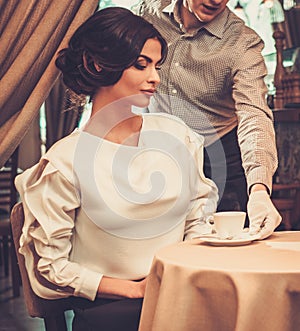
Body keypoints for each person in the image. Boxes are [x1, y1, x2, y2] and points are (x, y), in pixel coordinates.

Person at [15, 7, 218, 331]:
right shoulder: (64, 162)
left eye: (156, 65)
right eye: (141, 65)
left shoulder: (176, 136)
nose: (155, 77)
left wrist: (186, 272)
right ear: (98, 65)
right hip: (112, 310)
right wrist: (134, 289)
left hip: (182, 289)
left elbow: (197, 217)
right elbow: (51, 268)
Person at [138, 0, 282, 239]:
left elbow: (254, 113)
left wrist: (258, 189)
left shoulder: (242, 43)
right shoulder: (147, 14)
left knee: (223, 250)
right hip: (154, 153)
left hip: (218, 158)